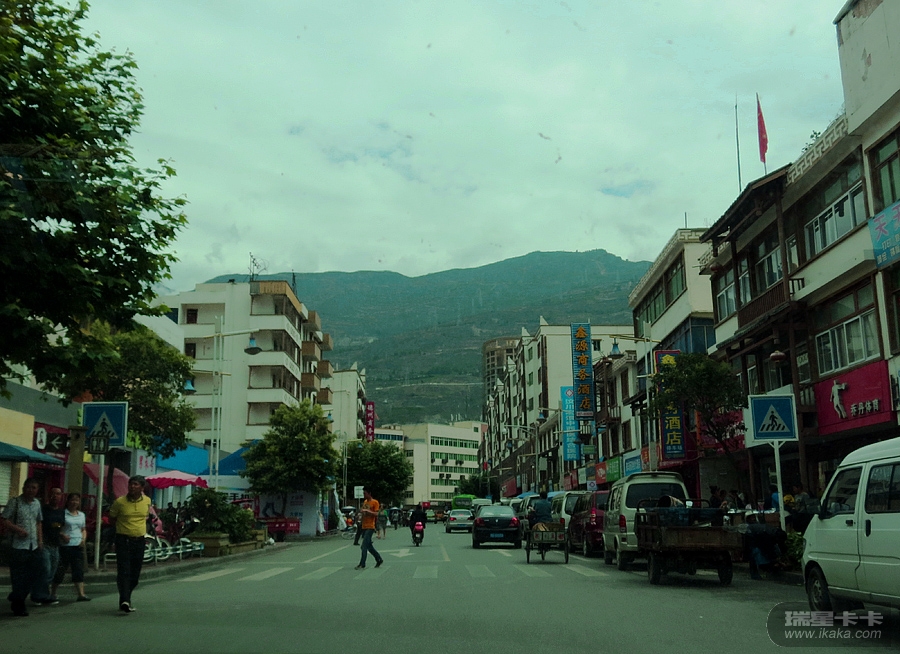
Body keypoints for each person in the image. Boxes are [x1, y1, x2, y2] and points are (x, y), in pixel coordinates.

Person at [1, 478, 44, 616]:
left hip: (33, 545)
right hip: (18, 546)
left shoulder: (37, 503)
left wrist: (40, 541)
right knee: (19, 577)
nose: (31, 490)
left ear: (37, 490)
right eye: (28, 487)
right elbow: (4, 520)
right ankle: (19, 606)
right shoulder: (15, 502)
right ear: (23, 488)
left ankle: (16, 596)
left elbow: (38, 522)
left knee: (34, 575)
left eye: (34, 487)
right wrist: (18, 530)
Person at [109, 475, 151, 613]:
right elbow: (112, 518)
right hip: (123, 540)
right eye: (131, 484)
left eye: (136, 484)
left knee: (135, 574)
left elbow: (145, 517)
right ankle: (125, 600)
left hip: (139, 541)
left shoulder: (147, 501)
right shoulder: (119, 502)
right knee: (124, 571)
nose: (132, 487)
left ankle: (126, 597)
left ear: (142, 487)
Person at [51, 492, 90, 602]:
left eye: (77, 500)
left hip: (77, 545)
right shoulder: (62, 513)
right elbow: (55, 526)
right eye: (72, 500)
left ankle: (81, 594)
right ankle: (53, 593)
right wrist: (62, 534)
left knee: (78, 570)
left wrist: (83, 539)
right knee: (60, 570)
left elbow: (83, 529)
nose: (74, 502)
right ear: (67, 501)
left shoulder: (81, 515)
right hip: (65, 546)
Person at [32, 487, 64, 606]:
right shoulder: (43, 509)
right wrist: (40, 541)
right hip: (45, 544)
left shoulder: (61, 511)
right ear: (49, 496)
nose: (55, 496)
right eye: (53, 493)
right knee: (45, 569)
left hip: (56, 545)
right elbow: (39, 524)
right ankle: (38, 596)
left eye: (58, 494)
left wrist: (62, 535)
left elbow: (59, 526)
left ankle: (44, 594)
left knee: (51, 572)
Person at [355, 488, 383, 570]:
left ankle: (362, 563)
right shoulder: (365, 502)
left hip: (370, 526)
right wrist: (360, 515)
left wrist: (367, 510)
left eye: (365, 493)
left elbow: (376, 514)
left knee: (364, 546)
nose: (364, 495)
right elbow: (364, 512)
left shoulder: (375, 502)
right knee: (369, 546)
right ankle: (379, 559)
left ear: (369, 493)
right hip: (364, 526)